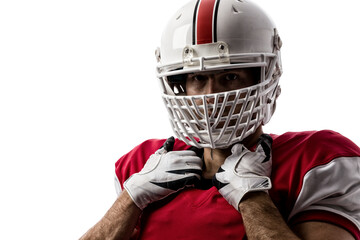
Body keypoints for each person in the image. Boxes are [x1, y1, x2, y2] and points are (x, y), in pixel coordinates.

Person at [80, 0, 360, 239]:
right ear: (180, 85)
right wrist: (131, 199)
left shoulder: (314, 160)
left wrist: (251, 198)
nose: (211, 96)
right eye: (198, 78)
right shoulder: (142, 163)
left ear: (264, 78)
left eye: (230, 76)